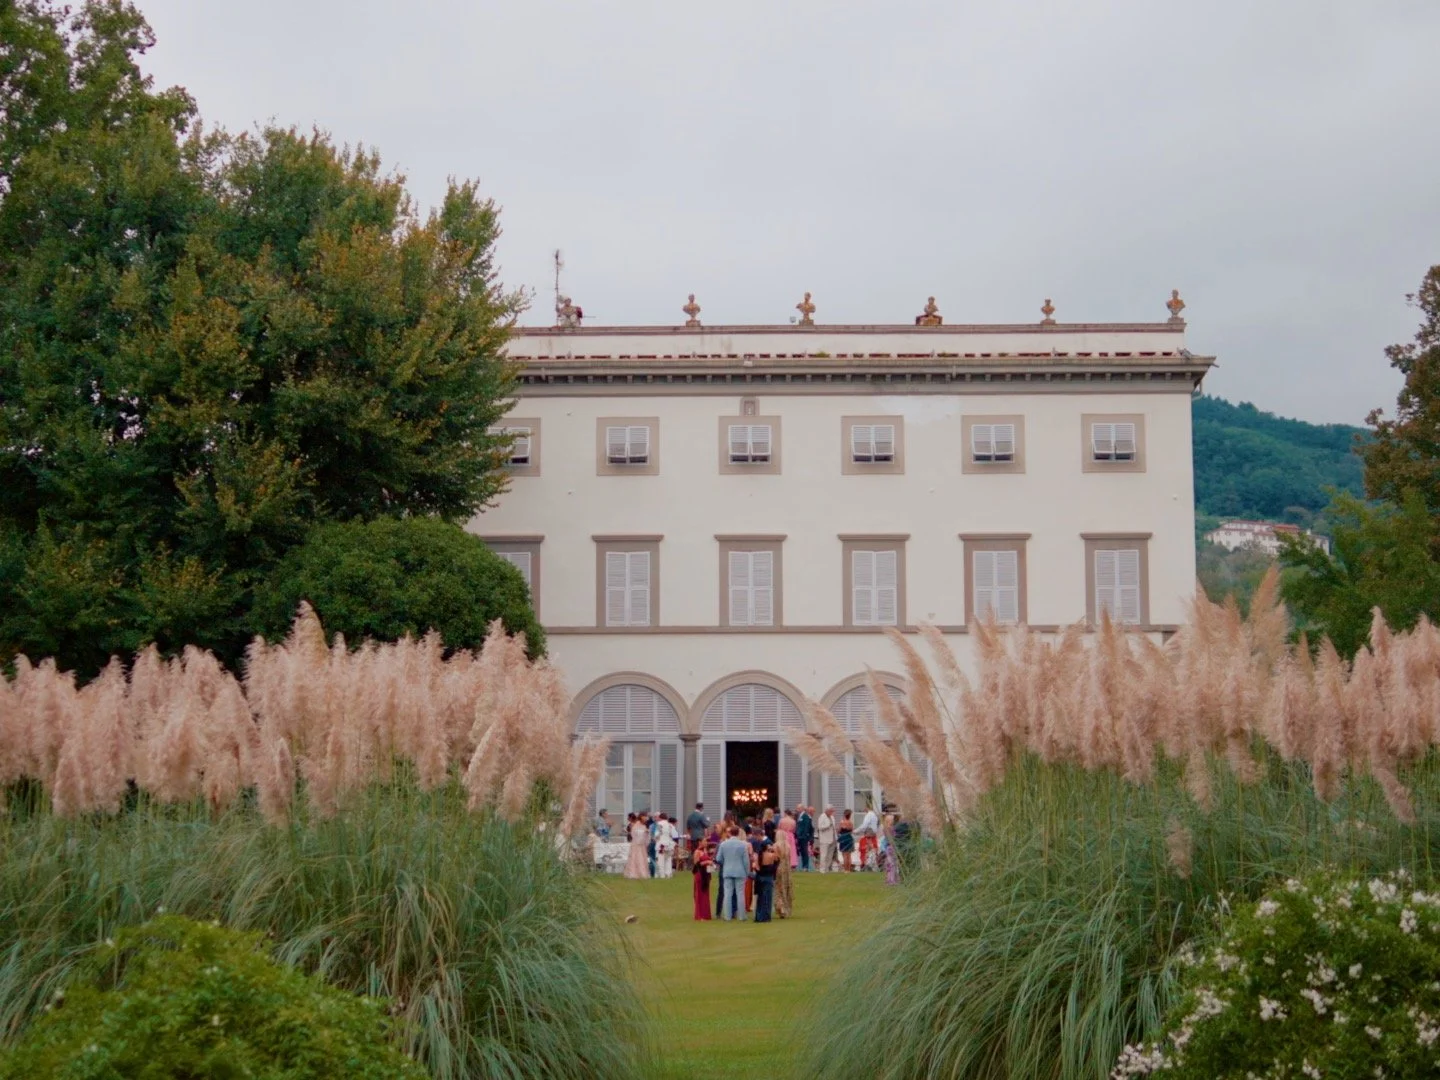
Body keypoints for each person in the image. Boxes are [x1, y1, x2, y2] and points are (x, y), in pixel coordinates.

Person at [715, 826, 752, 921]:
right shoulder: (743, 845)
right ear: (738, 833)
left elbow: (718, 859)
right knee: (740, 894)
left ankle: (727, 916)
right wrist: (747, 872)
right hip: (740, 871)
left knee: (727, 894)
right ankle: (742, 916)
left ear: (730, 833)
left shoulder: (723, 844)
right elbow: (746, 861)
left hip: (727, 870)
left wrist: (726, 862)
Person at [751, 827, 778, 922]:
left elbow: (756, 866)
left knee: (760, 897)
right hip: (768, 877)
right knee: (767, 897)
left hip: (759, 877)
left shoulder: (759, 856)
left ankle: (759, 916)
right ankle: (766, 916)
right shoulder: (771, 856)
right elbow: (777, 860)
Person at [773, 823, 794, 918]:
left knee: (779, 887)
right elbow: (789, 858)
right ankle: (786, 907)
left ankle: (780, 906)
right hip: (787, 867)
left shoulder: (776, 846)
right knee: (786, 887)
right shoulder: (788, 846)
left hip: (779, 867)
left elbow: (775, 858)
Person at [691, 837, 714, 920]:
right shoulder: (697, 852)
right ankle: (700, 915)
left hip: (706, 874)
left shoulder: (705, 851)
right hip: (700, 874)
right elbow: (696, 864)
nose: (706, 843)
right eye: (704, 841)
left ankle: (706, 914)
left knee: (706, 894)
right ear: (700, 842)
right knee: (700, 894)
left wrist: (711, 863)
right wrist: (707, 862)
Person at [623, 813, 649, 879]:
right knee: (636, 857)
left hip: (641, 844)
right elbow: (634, 834)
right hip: (636, 844)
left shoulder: (643, 825)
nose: (646, 819)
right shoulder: (636, 825)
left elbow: (645, 835)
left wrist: (646, 834)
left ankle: (642, 872)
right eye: (644, 817)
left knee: (642, 858)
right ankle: (634, 873)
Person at [857, 803, 880, 871]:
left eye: (865, 808)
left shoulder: (869, 815)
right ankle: (866, 867)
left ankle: (870, 867)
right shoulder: (862, 839)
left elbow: (876, 849)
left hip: (871, 856)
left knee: (872, 855)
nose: (864, 810)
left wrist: (871, 847)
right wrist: (866, 847)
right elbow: (860, 849)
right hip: (865, 856)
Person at [655, 813, 677, 878]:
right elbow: (675, 835)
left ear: (660, 818)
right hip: (669, 845)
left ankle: (662, 875)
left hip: (661, 844)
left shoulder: (659, 824)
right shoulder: (670, 825)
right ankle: (668, 874)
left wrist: (656, 838)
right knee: (668, 859)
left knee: (660, 859)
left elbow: (657, 834)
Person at [816, 806, 837, 873]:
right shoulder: (822, 817)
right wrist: (828, 825)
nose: (832, 812)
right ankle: (822, 869)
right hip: (824, 839)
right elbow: (820, 827)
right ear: (827, 810)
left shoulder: (832, 817)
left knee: (830, 855)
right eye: (831, 811)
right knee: (824, 855)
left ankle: (827, 868)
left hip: (833, 838)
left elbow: (833, 827)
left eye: (832, 811)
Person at [881, 813, 901, 885]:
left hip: (888, 847)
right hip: (892, 847)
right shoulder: (890, 828)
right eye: (892, 819)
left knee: (890, 863)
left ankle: (890, 879)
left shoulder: (885, 828)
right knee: (893, 864)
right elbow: (893, 838)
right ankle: (892, 880)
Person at [795, 805, 815, 872]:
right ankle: (803, 866)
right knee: (802, 852)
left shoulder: (805, 816)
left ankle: (805, 866)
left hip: (803, 837)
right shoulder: (799, 816)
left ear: (801, 809)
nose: (796, 809)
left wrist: (804, 835)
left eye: (798, 808)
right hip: (800, 837)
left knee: (805, 852)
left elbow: (806, 827)